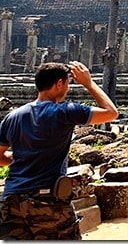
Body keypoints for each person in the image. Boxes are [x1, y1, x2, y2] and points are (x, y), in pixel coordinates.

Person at [0, 61, 119, 240]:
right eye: (68, 84)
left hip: (11, 201)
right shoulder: (65, 112)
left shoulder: (12, 117)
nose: (68, 89)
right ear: (59, 84)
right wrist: (88, 83)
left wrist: (22, 159)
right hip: (47, 201)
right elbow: (111, 112)